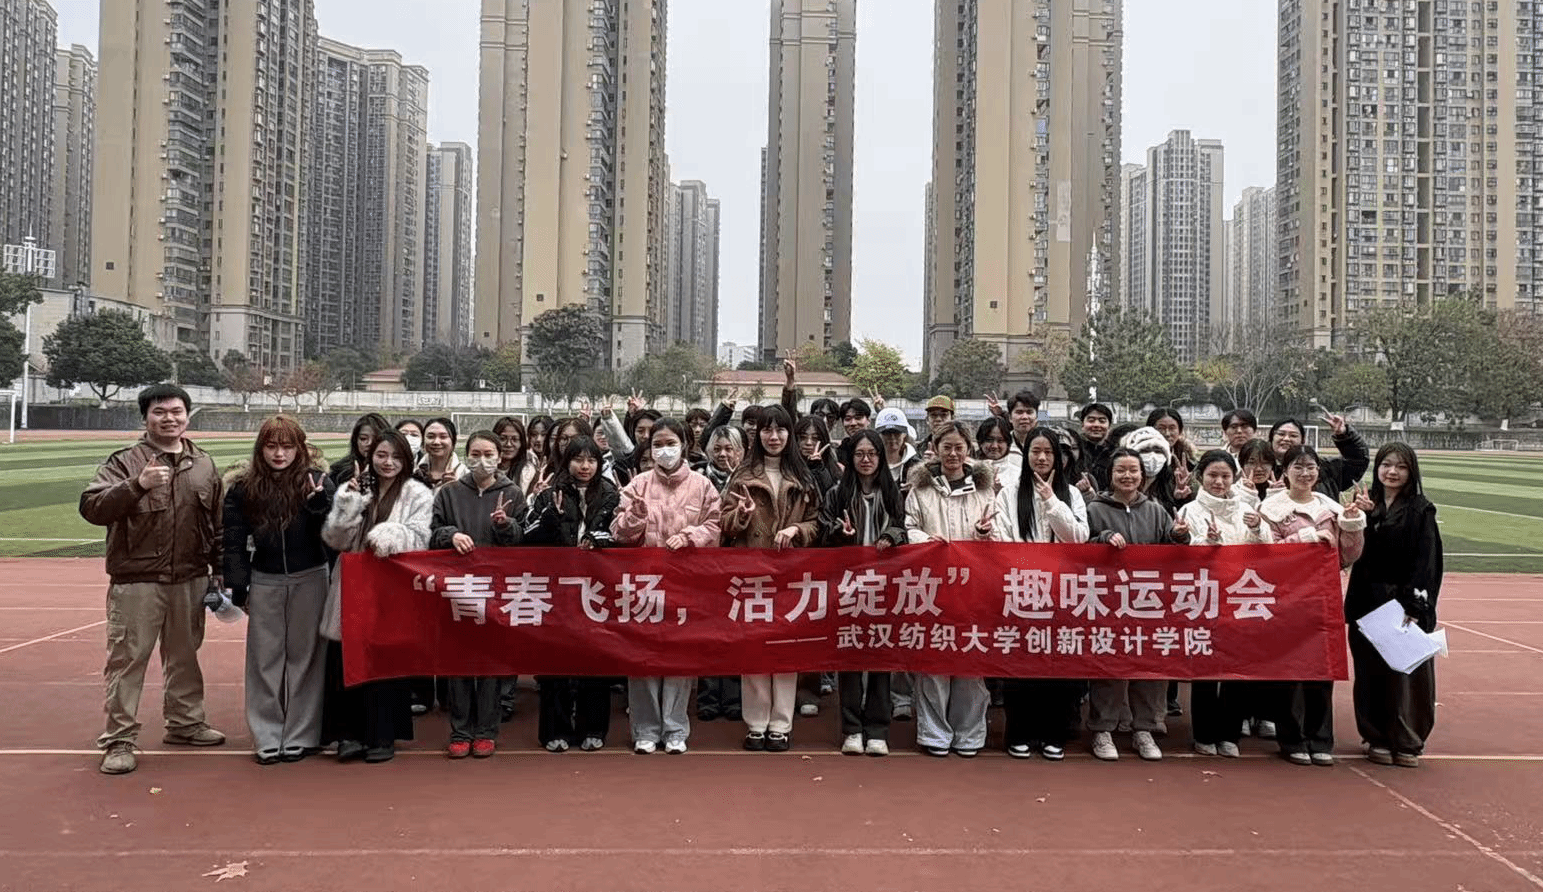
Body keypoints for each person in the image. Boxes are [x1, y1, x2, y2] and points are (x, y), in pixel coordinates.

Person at [82, 384, 226, 775]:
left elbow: (217, 523)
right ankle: (119, 739)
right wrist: (137, 485)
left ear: (188, 416)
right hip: (138, 580)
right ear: (145, 417)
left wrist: (219, 571)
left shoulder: (204, 464)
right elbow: (92, 507)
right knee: (128, 659)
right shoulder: (124, 462)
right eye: (159, 412)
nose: (169, 419)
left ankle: (185, 723)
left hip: (190, 577)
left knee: (185, 656)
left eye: (176, 411)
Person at [222, 415, 335, 765]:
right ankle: (268, 735)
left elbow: (334, 531)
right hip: (265, 578)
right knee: (264, 658)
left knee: (307, 658)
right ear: (261, 449)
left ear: (299, 448)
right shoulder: (243, 488)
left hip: (311, 576)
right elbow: (234, 541)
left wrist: (319, 505)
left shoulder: (318, 481)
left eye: (287, 446)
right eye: (271, 446)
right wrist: (238, 586)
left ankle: (301, 734)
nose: (279, 454)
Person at [320, 429, 434, 763]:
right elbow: (335, 539)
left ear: (406, 460)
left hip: (391, 587)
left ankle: (382, 734)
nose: (388, 463)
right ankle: (348, 734)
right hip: (353, 583)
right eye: (382, 455)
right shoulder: (356, 489)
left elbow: (420, 539)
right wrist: (348, 506)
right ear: (371, 457)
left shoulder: (417, 493)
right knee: (347, 657)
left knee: (386, 659)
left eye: (396, 457)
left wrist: (390, 534)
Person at [612, 418, 723, 755]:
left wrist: (690, 536)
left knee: (679, 656)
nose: (664, 450)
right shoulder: (638, 485)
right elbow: (619, 532)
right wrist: (635, 516)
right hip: (644, 585)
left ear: (684, 445)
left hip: (685, 584)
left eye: (670, 443)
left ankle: (675, 728)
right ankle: (645, 728)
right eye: (657, 444)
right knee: (643, 657)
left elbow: (715, 526)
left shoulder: (703, 486)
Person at [1259, 444, 1369, 766]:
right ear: (1285, 471)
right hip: (1286, 597)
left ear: (1318, 472)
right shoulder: (1270, 509)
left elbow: (1347, 556)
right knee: (1289, 670)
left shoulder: (1330, 509)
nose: (1304, 473)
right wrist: (1304, 539)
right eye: (1298, 466)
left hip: (1323, 597)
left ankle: (1320, 738)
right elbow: (1265, 552)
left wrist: (1352, 526)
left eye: (1310, 467)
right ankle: (1291, 738)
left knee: (1322, 669)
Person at [721, 405, 820, 753]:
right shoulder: (742, 475)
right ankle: (756, 722)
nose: (773, 436)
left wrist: (796, 529)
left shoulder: (803, 476)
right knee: (754, 649)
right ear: (757, 434)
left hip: (791, 576)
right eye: (767, 429)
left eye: (780, 430)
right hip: (752, 575)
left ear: (789, 434)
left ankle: (781, 723)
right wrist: (741, 515)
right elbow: (723, 523)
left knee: (786, 649)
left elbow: (817, 522)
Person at [991, 426, 1090, 761]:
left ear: (1059, 458)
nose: (1042, 458)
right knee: (1020, 666)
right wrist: (1028, 569)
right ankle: (1019, 733)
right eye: (1036, 451)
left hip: (1062, 592)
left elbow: (1078, 538)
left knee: (1057, 666)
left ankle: (1053, 734)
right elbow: (1003, 539)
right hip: (1022, 589)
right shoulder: (1009, 493)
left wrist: (1052, 502)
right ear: (1026, 455)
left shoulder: (1071, 494)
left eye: (1049, 452)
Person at [1084, 447, 1189, 761]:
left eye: (1133, 470)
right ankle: (1103, 729)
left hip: (1149, 603)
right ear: (1110, 474)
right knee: (1109, 666)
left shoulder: (1156, 510)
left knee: (1149, 666)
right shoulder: (1094, 509)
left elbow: (1173, 551)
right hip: (1107, 602)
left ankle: (1144, 729)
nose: (1127, 476)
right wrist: (1102, 538)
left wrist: (1179, 536)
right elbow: (1080, 547)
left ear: (1143, 476)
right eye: (1121, 470)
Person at [903, 421, 999, 758]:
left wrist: (984, 533)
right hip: (932, 586)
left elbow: (998, 535)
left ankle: (969, 733)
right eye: (947, 447)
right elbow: (909, 527)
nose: (953, 454)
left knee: (971, 660)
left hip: (974, 586)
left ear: (969, 449)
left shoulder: (985, 490)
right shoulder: (920, 489)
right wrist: (925, 541)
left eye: (959, 447)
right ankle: (934, 732)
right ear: (935, 448)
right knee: (935, 660)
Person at [429, 431, 525, 759]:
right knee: (458, 663)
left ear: (499, 457)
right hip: (457, 589)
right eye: (475, 453)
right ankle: (460, 730)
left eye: (488, 454)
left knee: (490, 664)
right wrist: (451, 534)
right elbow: (432, 532)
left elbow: (523, 540)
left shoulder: (512, 493)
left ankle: (486, 731)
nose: (482, 460)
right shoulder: (449, 493)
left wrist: (505, 525)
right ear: (466, 455)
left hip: (496, 590)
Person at [1346, 443, 1442, 768]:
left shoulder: (1421, 510)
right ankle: (1375, 736)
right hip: (1368, 600)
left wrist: (1415, 606)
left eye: (1401, 466)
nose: (1392, 472)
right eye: (1386, 464)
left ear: (1411, 471)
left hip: (1403, 602)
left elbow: (1427, 561)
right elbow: (1355, 553)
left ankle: (1407, 740)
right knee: (1370, 672)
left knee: (1406, 675)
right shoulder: (1366, 505)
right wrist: (1359, 518)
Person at [524, 438, 621, 751]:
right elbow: (527, 537)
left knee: (596, 660)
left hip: (597, 589)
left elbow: (622, 535)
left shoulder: (610, 493)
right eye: (578, 459)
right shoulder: (549, 493)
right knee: (556, 661)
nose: (585, 466)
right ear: (566, 462)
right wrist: (549, 520)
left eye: (591, 460)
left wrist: (600, 539)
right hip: (557, 589)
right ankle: (555, 730)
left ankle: (593, 728)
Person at [818, 429, 907, 757]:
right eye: (859, 454)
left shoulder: (892, 492)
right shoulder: (837, 493)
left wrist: (892, 536)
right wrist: (841, 534)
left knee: (881, 658)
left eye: (872, 454)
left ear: (881, 457)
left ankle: (878, 729)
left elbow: (904, 527)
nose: (866, 460)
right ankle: (852, 729)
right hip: (848, 587)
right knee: (851, 659)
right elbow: (823, 530)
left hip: (885, 588)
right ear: (851, 457)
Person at [1176, 449, 1265, 758]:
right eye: (1212, 475)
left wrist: (1257, 528)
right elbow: (1182, 554)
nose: (1218, 481)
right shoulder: (1189, 510)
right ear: (1200, 476)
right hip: (1205, 597)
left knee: (1237, 672)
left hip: (1241, 596)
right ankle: (1204, 734)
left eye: (1225, 476)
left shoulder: (1247, 509)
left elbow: (1263, 551)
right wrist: (1208, 544)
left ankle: (1230, 734)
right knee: (1205, 671)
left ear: (1234, 478)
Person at [697, 425, 746, 722]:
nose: (723, 454)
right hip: (704, 567)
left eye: (729, 448)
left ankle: (733, 696)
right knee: (706, 634)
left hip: (738, 566)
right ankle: (707, 696)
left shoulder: (748, 480)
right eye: (717, 449)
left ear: (741, 452)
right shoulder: (698, 479)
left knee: (735, 634)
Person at [1267, 415, 1370, 501]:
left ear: (1303, 440)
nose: (1286, 439)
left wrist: (1343, 435)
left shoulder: (1325, 468)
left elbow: (1358, 461)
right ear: (1271, 438)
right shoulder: (1263, 469)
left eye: (1293, 435)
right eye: (1281, 434)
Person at [330, 413, 391, 486]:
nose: (369, 443)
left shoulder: (394, 471)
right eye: (363, 438)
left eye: (376, 438)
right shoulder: (339, 473)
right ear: (356, 441)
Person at [875, 408, 921, 493]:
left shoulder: (917, 466)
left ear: (905, 434)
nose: (892, 437)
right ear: (878, 435)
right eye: (887, 433)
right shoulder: (870, 463)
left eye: (897, 433)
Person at [416, 417, 467, 491]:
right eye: (430, 437)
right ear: (423, 441)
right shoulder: (413, 472)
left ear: (453, 442)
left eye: (443, 437)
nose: (436, 442)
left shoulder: (465, 475)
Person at [1075, 403, 1114, 494]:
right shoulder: (1074, 450)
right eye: (1091, 420)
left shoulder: (1114, 452)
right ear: (1082, 424)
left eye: (1102, 421)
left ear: (1109, 426)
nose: (1096, 425)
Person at [976, 416, 1020, 493]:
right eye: (989, 440)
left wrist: (1001, 493)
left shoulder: (1018, 475)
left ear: (1008, 444)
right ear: (980, 442)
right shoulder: (966, 471)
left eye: (1000, 441)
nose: (994, 446)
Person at [493, 416, 535, 494]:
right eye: (503, 439)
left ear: (521, 443)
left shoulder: (527, 472)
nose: (508, 444)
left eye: (514, 439)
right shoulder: (486, 469)